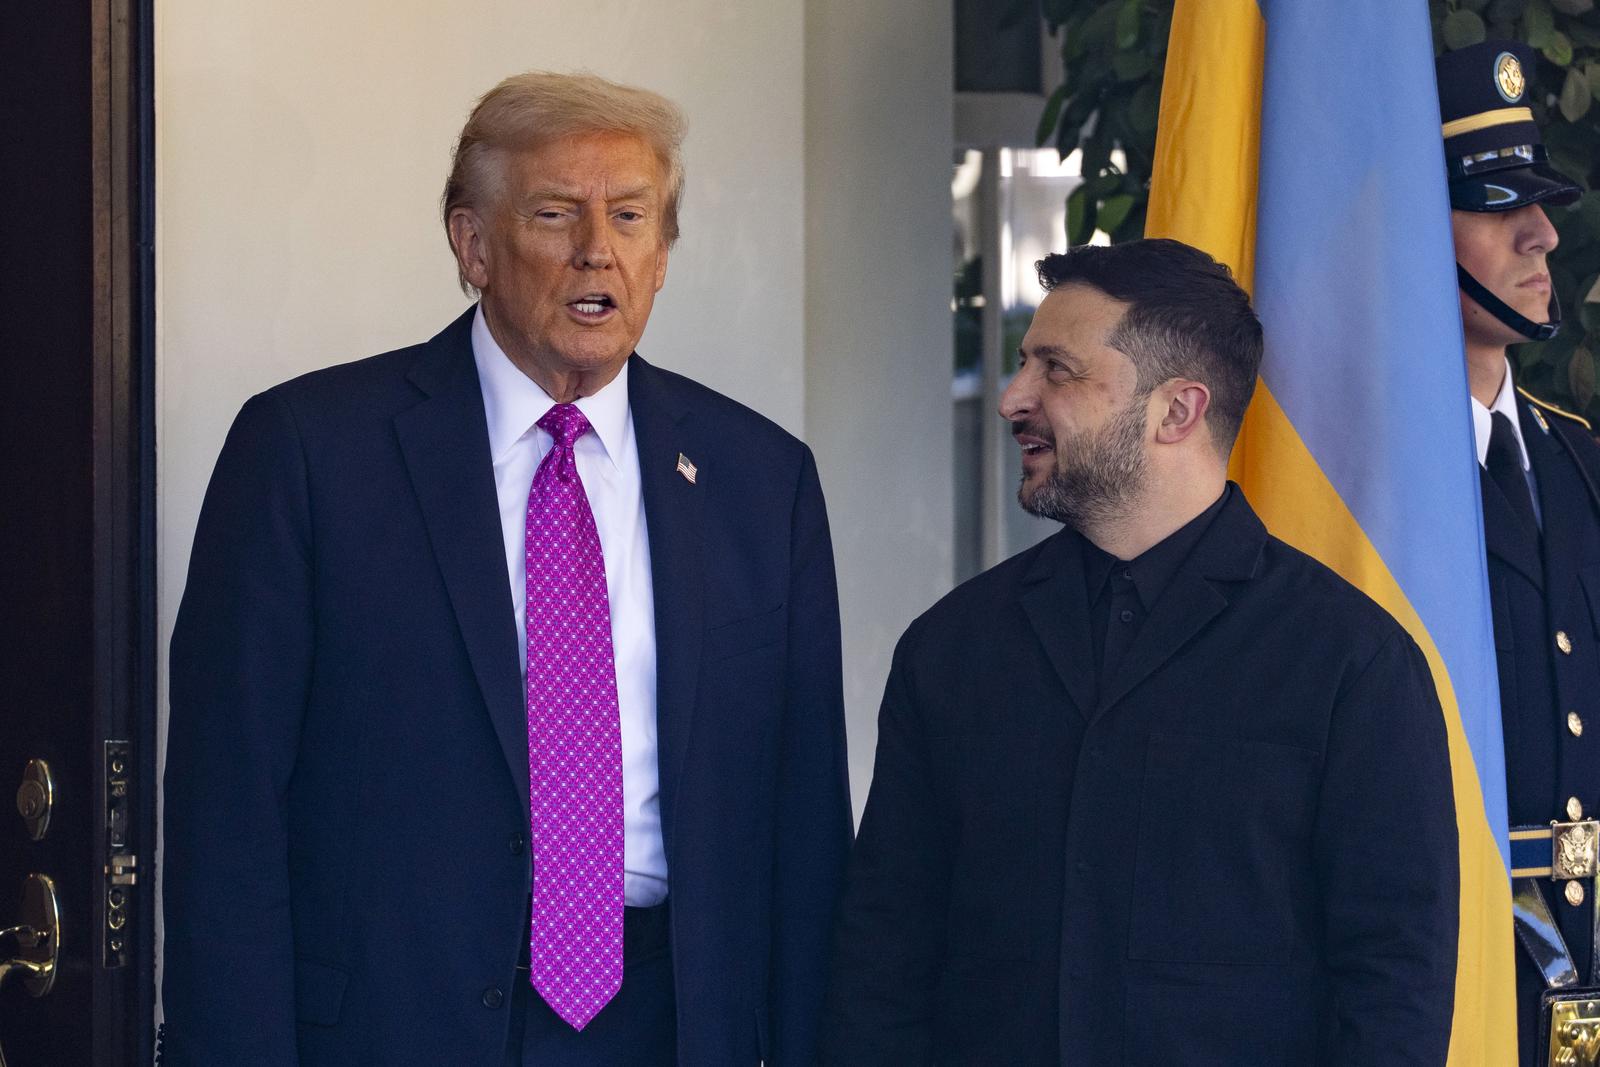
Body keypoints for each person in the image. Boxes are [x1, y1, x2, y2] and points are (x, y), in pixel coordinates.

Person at [161, 71, 851, 1066]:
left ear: (661, 257)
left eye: (629, 215)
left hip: (666, 1022)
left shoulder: (758, 478)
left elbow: (804, 833)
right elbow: (229, 813)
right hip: (392, 1024)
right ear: (472, 244)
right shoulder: (309, 452)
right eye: (554, 213)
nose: (596, 249)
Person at [821, 238, 1460, 1064]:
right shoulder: (950, 649)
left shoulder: (1354, 664)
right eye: (1024, 364)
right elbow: (882, 964)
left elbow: (1394, 991)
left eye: (1057, 369)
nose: (1014, 396)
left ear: (1177, 410)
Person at [1435, 41, 1600, 1065]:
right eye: (1500, 207)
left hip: (1578, 948)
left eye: (1537, 204)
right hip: (1455, 948)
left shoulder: (1577, 457)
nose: (1541, 234)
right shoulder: (1368, 487)